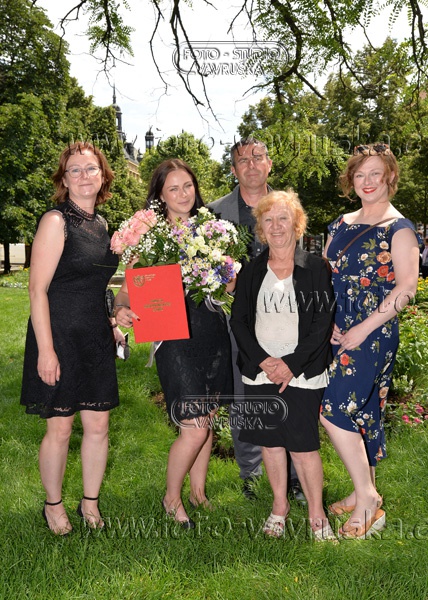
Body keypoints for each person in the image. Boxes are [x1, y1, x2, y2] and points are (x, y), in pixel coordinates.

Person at [114, 159, 233, 529]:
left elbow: (229, 284)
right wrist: (119, 310)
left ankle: (198, 493)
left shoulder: (211, 230)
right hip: (173, 337)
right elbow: (127, 290)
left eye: (188, 186)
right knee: (194, 425)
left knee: (207, 419)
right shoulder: (151, 235)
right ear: (161, 196)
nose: (183, 194)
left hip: (211, 331)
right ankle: (171, 498)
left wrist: (229, 274)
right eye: (173, 189)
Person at [20, 142, 125, 535]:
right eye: (75, 170)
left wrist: (112, 322)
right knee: (60, 428)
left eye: (91, 168)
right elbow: (37, 290)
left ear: (103, 176)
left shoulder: (104, 226)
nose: (84, 176)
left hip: (95, 335)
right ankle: (53, 505)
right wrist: (46, 351)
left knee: (98, 426)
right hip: (59, 334)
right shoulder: (55, 221)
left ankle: (90, 504)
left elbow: (98, 285)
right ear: (64, 180)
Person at [320, 143, 421, 539]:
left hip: (373, 332)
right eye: (360, 174)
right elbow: (324, 276)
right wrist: (327, 320)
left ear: (390, 177)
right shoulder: (340, 224)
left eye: (375, 173)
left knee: (333, 409)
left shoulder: (399, 228)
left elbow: (406, 288)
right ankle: (360, 489)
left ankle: (367, 498)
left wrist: (363, 328)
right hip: (337, 329)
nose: (367, 181)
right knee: (363, 412)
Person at [230, 190, 336, 540]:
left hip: (302, 371)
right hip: (260, 370)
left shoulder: (315, 268)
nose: (276, 226)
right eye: (268, 220)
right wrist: (264, 361)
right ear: (261, 228)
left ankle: (317, 516)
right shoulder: (251, 270)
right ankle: (279, 507)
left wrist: (289, 364)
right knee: (270, 443)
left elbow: (322, 322)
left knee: (304, 447)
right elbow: (239, 321)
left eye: (283, 219)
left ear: (297, 224)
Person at [208, 137, 305, 504]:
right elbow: (204, 274)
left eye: (257, 157)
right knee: (244, 398)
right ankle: (251, 475)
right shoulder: (214, 214)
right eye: (242, 160)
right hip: (236, 325)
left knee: (289, 394)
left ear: (269, 164)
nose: (250, 164)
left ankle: (294, 477)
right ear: (233, 170)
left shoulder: (288, 208)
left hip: (286, 321)